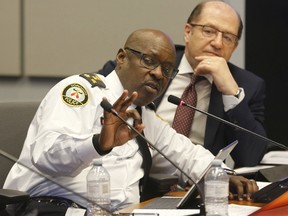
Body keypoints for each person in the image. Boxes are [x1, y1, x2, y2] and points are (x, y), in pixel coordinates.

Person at [4, 29, 258, 215]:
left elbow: (186, 153)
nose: (159, 73)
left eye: (167, 70)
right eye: (149, 61)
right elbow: (46, 155)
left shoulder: (143, 115)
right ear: (122, 57)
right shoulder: (80, 92)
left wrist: (222, 174)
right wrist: (98, 144)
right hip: (55, 208)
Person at [97, 0, 268, 168]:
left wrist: (230, 92)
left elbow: (251, 157)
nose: (217, 43)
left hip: (199, 185)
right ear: (188, 32)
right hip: (136, 181)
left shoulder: (247, 85)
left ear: (235, 46)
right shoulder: (142, 66)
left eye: (228, 38)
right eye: (209, 31)